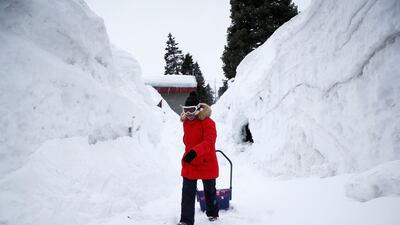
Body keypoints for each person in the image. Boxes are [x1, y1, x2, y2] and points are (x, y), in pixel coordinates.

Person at [177, 91, 219, 225]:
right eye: (186, 110)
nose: (188, 114)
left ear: (198, 109)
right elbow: (188, 141)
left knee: (210, 190)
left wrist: (194, 152)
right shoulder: (186, 123)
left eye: (191, 110)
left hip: (207, 161)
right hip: (191, 162)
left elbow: (209, 142)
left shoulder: (208, 122)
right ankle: (186, 220)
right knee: (187, 192)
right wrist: (190, 155)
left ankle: (212, 212)